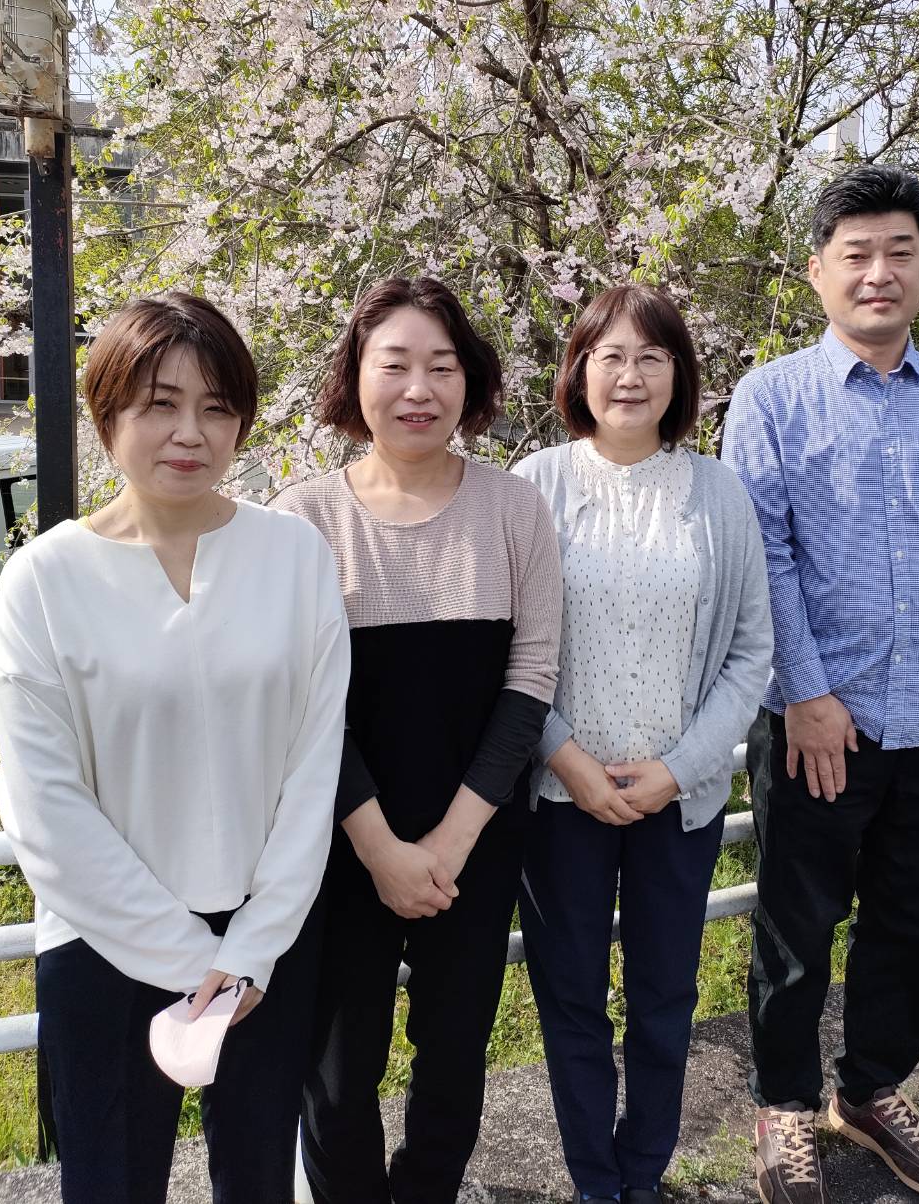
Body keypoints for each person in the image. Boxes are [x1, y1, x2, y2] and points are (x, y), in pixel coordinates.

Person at [0, 293, 351, 1204]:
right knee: (110, 1182)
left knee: (258, 1178)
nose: (191, 432)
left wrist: (251, 947)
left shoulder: (295, 555)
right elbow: (44, 804)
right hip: (105, 942)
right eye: (160, 403)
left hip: (268, 937)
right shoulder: (44, 579)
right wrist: (198, 963)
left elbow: (314, 764)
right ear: (106, 411)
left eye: (216, 407)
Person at [722, 165, 919, 1204]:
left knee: (914, 923)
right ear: (818, 270)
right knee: (794, 928)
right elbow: (762, 560)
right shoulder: (771, 399)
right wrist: (806, 694)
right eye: (856, 253)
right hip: (817, 723)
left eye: (900, 251)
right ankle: (782, 1102)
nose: (878, 272)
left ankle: (869, 1092)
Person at [276, 276, 561, 1204]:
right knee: (337, 1064)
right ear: (354, 375)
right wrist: (379, 846)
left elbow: (531, 678)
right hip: (339, 841)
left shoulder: (515, 509)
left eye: (441, 366)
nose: (417, 389)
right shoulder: (302, 520)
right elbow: (301, 704)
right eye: (393, 364)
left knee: (454, 1051)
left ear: (469, 380)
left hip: (474, 839)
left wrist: (449, 841)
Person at [513, 283, 773, 1204]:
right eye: (610, 356)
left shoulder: (720, 493)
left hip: (678, 801)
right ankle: (596, 1180)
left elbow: (750, 651)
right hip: (560, 798)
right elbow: (507, 647)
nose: (630, 375)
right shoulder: (533, 486)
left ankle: (644, 1172)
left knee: (665, 1000)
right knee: (571, 997)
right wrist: (566, 757)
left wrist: (679, 769)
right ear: (578, 370)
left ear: (678, 374)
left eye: (651, 357)